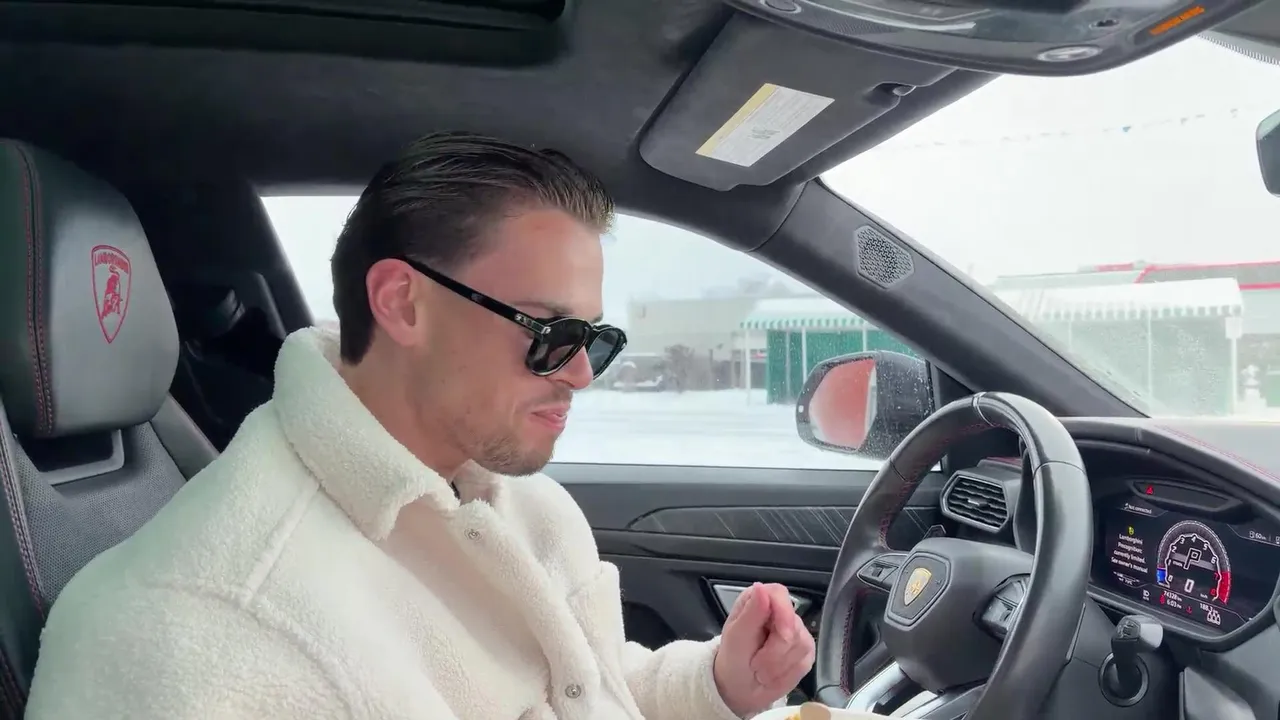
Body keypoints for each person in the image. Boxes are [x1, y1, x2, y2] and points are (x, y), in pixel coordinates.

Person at [25, 132, 815, 719]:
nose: (580, 373)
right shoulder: (198, 633)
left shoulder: (520, 502)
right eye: (550, 333)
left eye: (596, 341)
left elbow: (585, 686)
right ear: (403, 303)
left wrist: (717, 685)